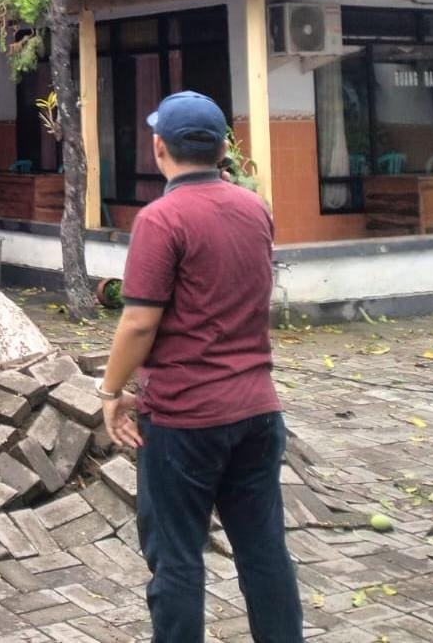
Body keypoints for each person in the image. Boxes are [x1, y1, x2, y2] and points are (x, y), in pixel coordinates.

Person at [97, 91, 304, 643]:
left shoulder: (161, 219)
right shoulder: (255, 208)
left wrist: (111, 391)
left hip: (186, 422)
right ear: (219, 150)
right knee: (264, 553)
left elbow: (140, 322)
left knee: (178, 560)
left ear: (158, 146)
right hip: (258, 413)